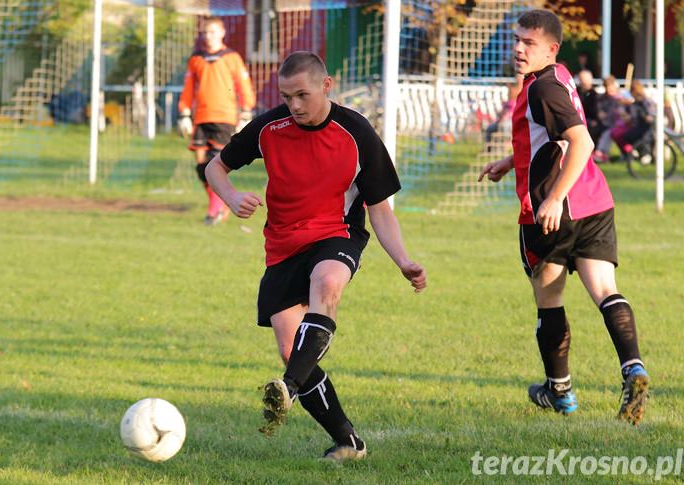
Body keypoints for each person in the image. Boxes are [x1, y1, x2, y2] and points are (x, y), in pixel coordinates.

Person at [205, 51, 427, 461]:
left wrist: (403, 260)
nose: (294, 105)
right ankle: (348, 441)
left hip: (337, 234)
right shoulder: (270, 127)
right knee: (293, 352)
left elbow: (379, 208)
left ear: (326, 86)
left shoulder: (356, 132)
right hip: (282, 245)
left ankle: (286, 388)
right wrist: (231, 196)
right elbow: (216, 167)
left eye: (302, 95)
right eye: (286, 96)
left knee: (327, 283)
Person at [478, 9, 649, 425]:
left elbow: (582, 142)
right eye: (517, 39)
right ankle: (634, 368)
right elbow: (551, 139)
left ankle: (560, 392)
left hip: (557, 213)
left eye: (529, 43)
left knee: (549, 298)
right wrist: (510, 161)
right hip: (595, 203)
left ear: (551, 48)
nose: (518, 48)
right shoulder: (558, 76)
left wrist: (554, 198)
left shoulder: (541, 90)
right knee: (605, 290)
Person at [178, 17, 256, 225]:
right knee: (201, 167)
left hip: (224, 118)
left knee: (216, 163)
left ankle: (214, 211)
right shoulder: (196, 59)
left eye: (212, 32)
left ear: (222, 34)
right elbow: (188, 88)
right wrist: (185, 113)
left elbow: (243, 85)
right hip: (201, 118)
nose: (208, 36)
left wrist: (246, 112)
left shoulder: (231, 57)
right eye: (205, 32)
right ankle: (219, 204)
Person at [593, 75, 625, 163]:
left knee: (609, 132)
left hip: (618, 124)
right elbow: (600, 112)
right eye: (607, 86)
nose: (609, 89)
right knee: (604, 130)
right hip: (606, 123)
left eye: (610, 86)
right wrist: (601, 114)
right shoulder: (602, 98)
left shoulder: (620, 98)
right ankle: (602, 154)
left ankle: (600, 152)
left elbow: (623, 113)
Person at [576, 70, 602, 145]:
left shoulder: (594, 95)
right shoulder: (576, 92)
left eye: (586, 80)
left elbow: (596, 111)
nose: (584, 82)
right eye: (582, 80)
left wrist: (595, 120)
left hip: (591, 120)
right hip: (577, 119)